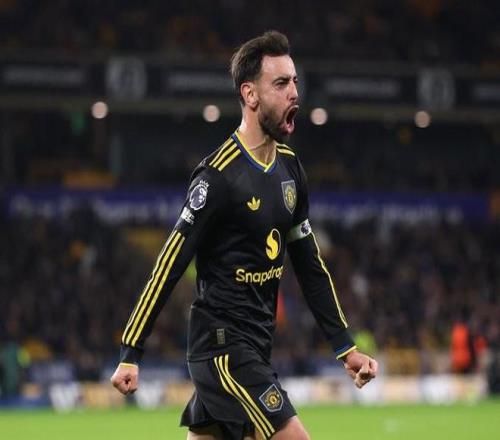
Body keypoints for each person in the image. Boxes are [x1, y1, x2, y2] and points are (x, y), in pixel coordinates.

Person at [111, 31, 377, 440]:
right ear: (250, 95)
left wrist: (345, 347)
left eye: (295, 81)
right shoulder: (217, 177)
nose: (294, 92)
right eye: (281, 83)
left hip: (254, 346)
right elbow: (169, 263)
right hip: (222, 349)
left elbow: (309, 266)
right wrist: (132, 350)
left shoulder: (290, 169)